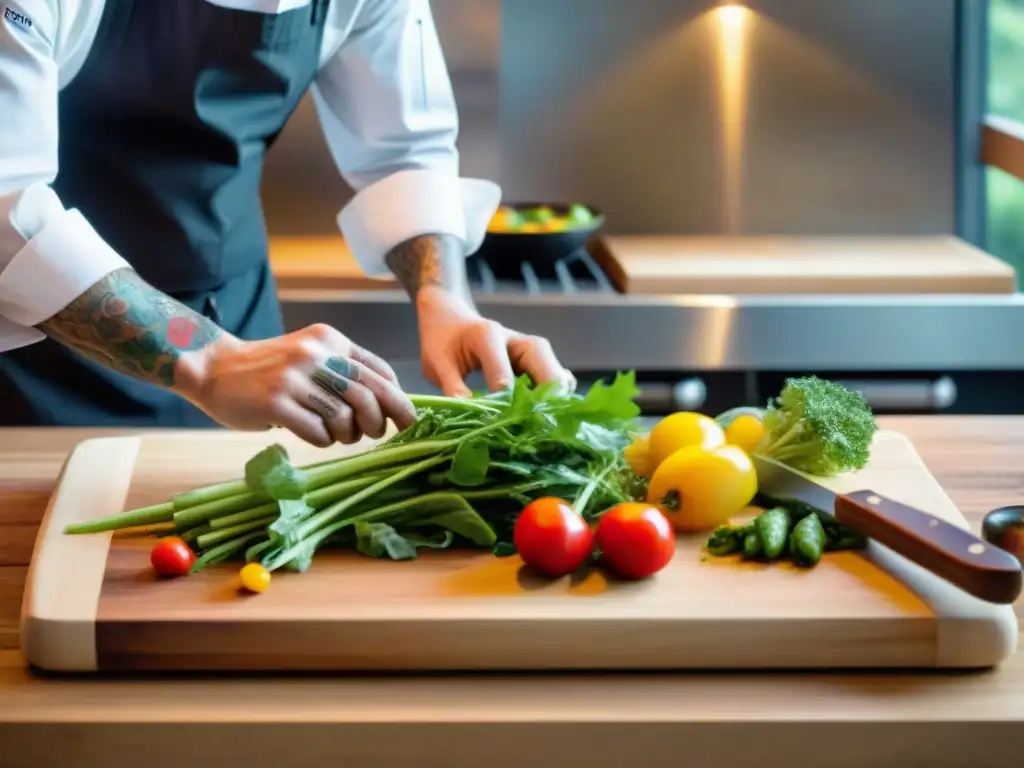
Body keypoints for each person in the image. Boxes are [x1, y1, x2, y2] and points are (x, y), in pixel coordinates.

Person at [0, 0, 573, 447]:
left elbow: (405, 151)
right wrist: (208, 360)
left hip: (238, 324)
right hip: (37, 363)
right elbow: (7, 201)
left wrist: (445, 302)